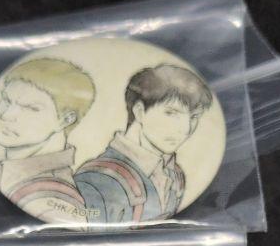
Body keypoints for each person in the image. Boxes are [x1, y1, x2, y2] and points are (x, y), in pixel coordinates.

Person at [74, 64, 213, 224]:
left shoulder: (175, 175)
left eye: (194, 117)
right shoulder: (95, 181)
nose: (186, 129)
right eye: (171, 113)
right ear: (139, 111)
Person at [0, 58, 95, 223]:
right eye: (7, 100)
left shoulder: (51, 201)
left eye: (31, 108)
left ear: (65, 120)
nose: (6, 115)